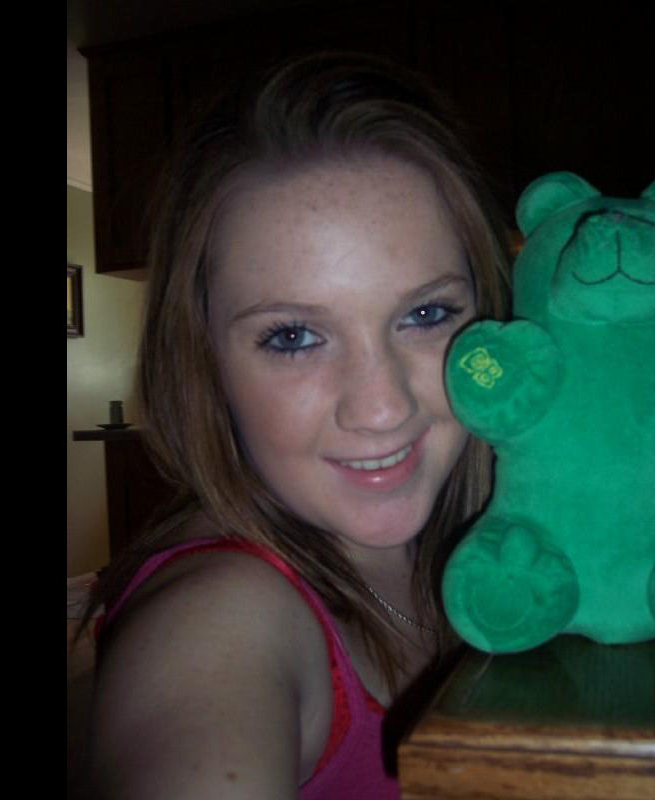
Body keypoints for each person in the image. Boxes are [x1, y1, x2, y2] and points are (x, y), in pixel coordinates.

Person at [80, 50, 512, 799]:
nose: (382, 407)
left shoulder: (503, 551)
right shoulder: (214, 623)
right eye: (294, 336)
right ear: (203, 361)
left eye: (426, 313)